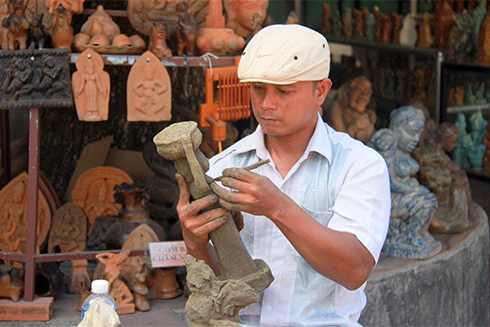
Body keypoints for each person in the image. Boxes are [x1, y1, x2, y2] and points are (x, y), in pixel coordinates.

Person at [176, 24, 391, 326]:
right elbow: (211, 287)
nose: (266, 104)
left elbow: (354, 271)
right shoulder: (222, 166)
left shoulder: (360, 165)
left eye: (284, 91)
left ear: (321, 91)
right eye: (258, 88)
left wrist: (279, 208)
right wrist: (195, 241)